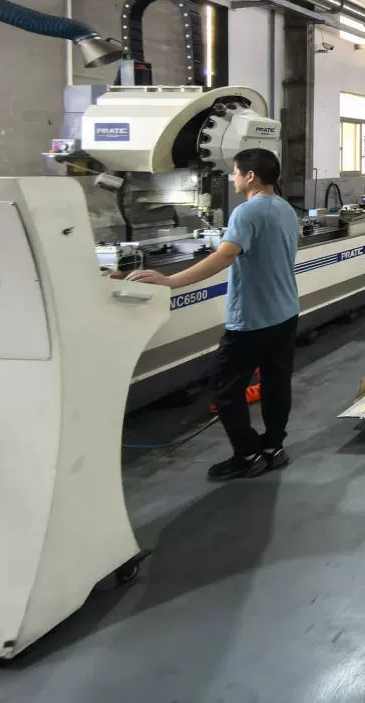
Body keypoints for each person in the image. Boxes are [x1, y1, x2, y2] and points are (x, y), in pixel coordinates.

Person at [128, 148, 301, 480]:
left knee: (224, 388)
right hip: (286, 312)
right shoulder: (285, 208)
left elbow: (224, 256)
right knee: (276, 384)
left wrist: (170, 281)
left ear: (251, 176)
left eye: (235, 172)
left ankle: (248, 455)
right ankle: (273, 448)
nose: (233, 178)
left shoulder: (246, 212)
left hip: (252, 320)